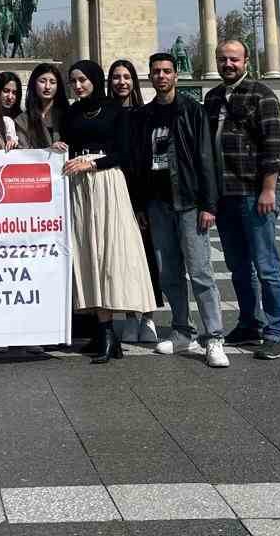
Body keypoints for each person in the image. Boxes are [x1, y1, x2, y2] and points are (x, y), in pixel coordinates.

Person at [63, 59, 158, 363]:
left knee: (107, 251)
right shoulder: (71, 112)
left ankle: (108, 331)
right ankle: (103, 332)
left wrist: (92, 164)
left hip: (106, 181)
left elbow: (124, 153)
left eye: (82, 80)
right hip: (80, 186)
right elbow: (68, 145)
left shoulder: (115, 110)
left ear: (95, 79)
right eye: (73, 81)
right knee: (88, 253)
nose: (78, 86)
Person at [137, 52, 228, 366]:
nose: (161, 76)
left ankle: (214, 337)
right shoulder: (145, 115)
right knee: (169, 273)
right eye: (156, 71)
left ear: (176, 75)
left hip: (188, 201)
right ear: (150, 76)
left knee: (200, 271)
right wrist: (142, 205)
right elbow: (140, 163)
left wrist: (209, 204)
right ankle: (181, 332)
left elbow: (207, 158)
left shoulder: (192, 110)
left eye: (166, 71)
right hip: (157, 203)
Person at [203, 39, 280, 360]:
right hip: (225, 194)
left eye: (234, 59)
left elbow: (274, 145)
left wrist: (269, 189)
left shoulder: (261, 95)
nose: (228, 64)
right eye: (222, 59)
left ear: (246, 61)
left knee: (266, 266)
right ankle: (249, 323)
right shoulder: (212, 97)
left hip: (254, 192)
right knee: (238, 266)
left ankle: (276, 331)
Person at [107, 58, 158, 345]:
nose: (121, 82)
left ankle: (148, 315)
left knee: (147, 255)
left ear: (134, 81)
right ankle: (129, 314)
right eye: (116, 77)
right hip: (116, 190)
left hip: (143, 190)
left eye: (126, 77)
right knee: (124, 257)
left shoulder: (145, 113)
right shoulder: (105, 113)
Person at [18, 63, 69, 150]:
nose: (47, 87)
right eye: (42, 81)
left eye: (52, 82)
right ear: (34, 84)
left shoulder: (68, 114)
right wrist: (48, 149)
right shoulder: (22, 120)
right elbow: (23, 152)